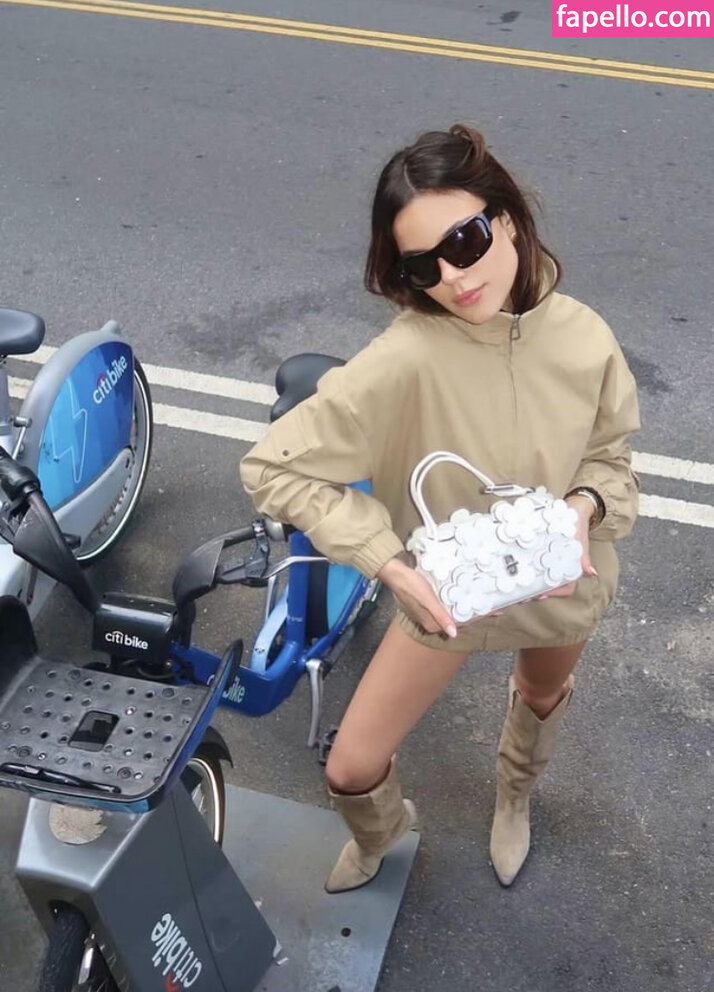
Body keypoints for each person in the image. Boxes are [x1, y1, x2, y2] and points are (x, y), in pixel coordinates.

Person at [240, 123, 640, 891]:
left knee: (541, 695)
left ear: (507, 220)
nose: (454, 277)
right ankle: (382, 830)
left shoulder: (585, 338)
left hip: (560, 581)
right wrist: (389, 563)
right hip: (447, 597)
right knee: (352, 765)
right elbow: (273, 469)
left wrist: (584, 507)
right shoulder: (407, 355)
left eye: (465, 240)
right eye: (423, 265)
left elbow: (611, 456)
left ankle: (514, 796)